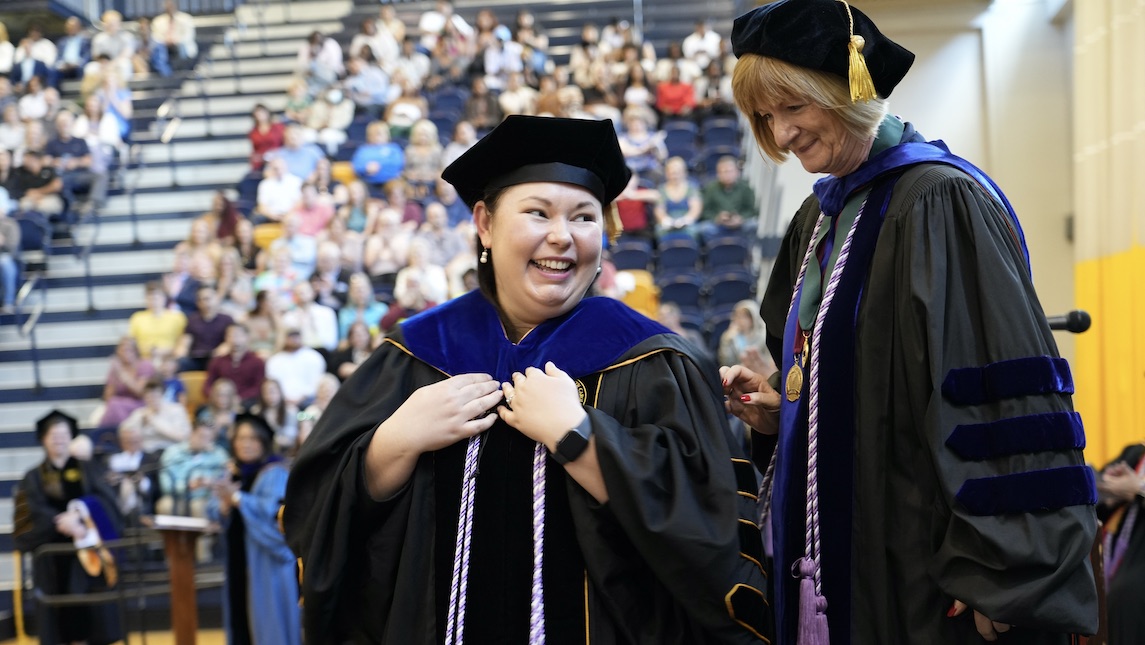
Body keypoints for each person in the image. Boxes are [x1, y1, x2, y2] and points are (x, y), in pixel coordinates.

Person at [282, 115, 770, 643]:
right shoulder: (414, 354)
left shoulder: (653, 362)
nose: (561, 237)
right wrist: (393, 443)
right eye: (537, 213)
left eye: (584, 218)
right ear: (485, 224)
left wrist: (580, 439)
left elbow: (712, 532)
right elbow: (317, 516)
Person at [722, 2, 1098, 643]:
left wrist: (1002, 579)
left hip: (928, 580)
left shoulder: (938, 203)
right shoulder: (817, 224)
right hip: (845, 559)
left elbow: (998, 403)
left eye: (794, 108)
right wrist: (782, 416)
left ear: (846, 90)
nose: (780, 136)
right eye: (765, 117)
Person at [12, 410, 124, 645]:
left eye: (64, 434)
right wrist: (62, 522)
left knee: (91, 616)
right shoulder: (32, 477)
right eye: (54, 435)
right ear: (43, 439)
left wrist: (81, 517)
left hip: (88, 551)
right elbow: (29, 513)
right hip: (52, 555)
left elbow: (106, 501)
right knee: (58, 618)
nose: (59, 439)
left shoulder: (88, 469)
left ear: (71, 437)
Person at [208, 414, 301, 645]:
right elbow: (213, 509)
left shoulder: (276, 472)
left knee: (270, 629)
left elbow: (277, 518)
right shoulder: (232, 472)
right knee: (243, 624)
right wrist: (223, 506)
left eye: (252, 438)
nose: (245, 444)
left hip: (269, 567)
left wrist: (238, 498)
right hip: (241, 563)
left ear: (263, 442)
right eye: (240, 438)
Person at [1095, 443, 1145, 644]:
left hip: (1134, 580)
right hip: (1113, 567)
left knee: (1127, 596)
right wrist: (1110, 493)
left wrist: (1137, 489)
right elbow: (1098, 484)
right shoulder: (1136, 455)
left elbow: (1133, 488)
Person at [119, 377, 192, 454]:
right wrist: (139, 423)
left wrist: (154, 422)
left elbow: (182, 437)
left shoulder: (176, 409)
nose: (152, 399)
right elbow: (123, 430)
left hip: (170, 451)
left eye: (155, 395)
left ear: (163, 394)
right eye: (148, 396)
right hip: (146, 453)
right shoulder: (141, 413)